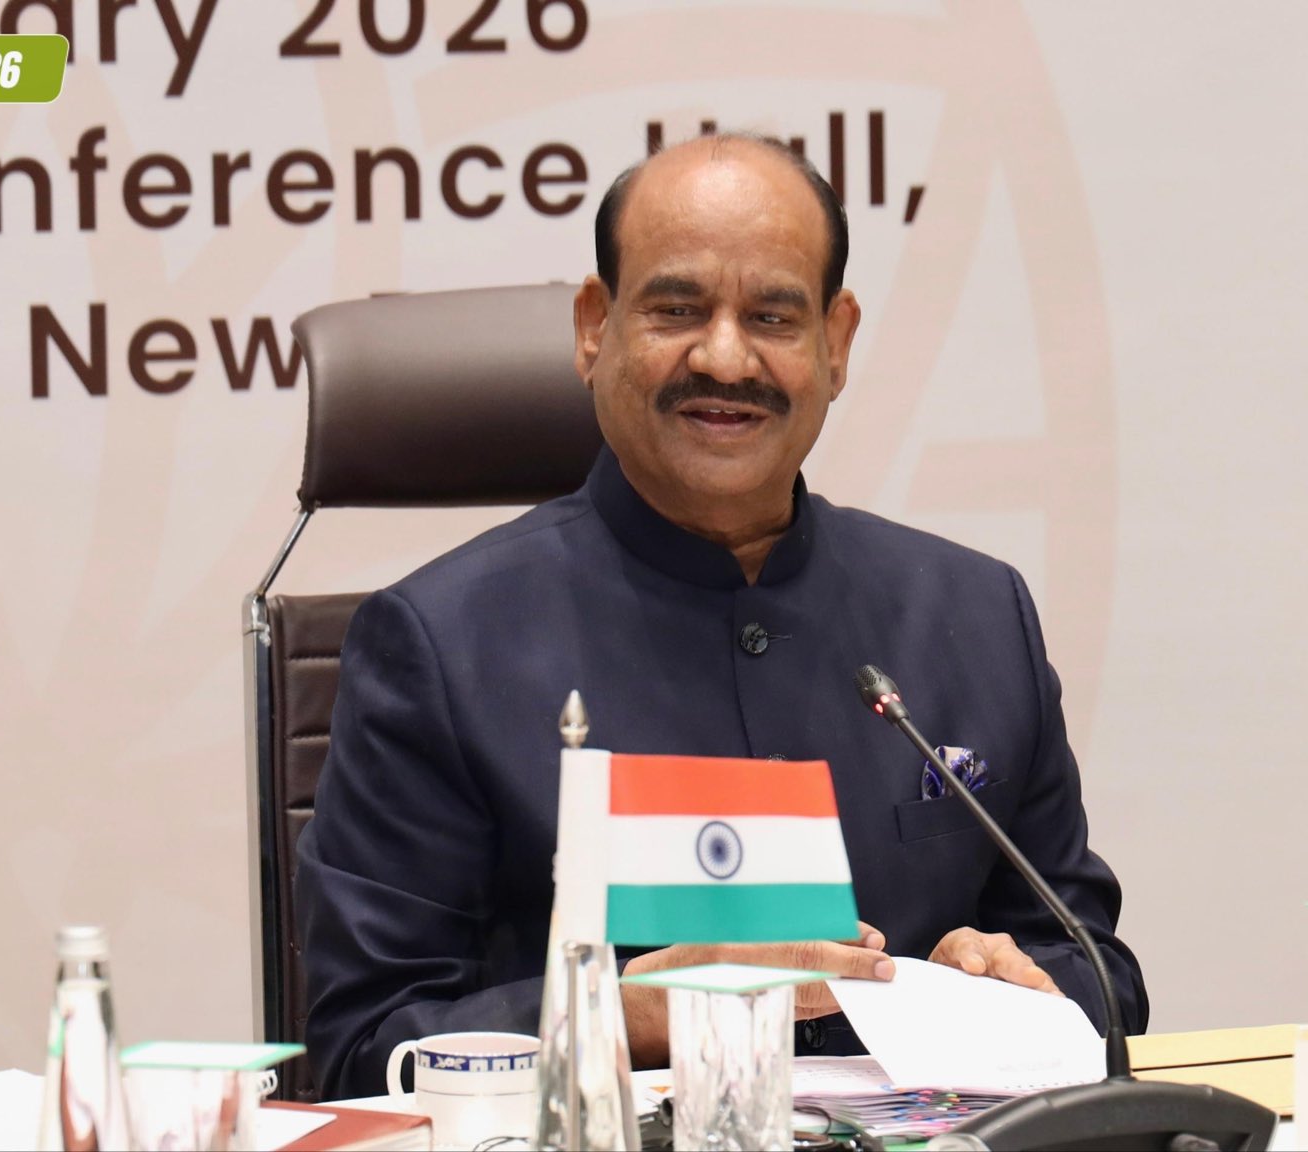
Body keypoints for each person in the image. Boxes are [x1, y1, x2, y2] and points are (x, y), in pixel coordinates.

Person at [295, 134, 1146, 1099]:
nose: (726, 357)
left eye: (774, 315)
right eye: (677, 309)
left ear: (836, 342)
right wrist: (621, 1013)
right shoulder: (439, 646)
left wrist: (1013, 985)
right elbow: (363, 1047)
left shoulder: (977, 616)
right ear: (593, 326)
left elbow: (1099, 976)